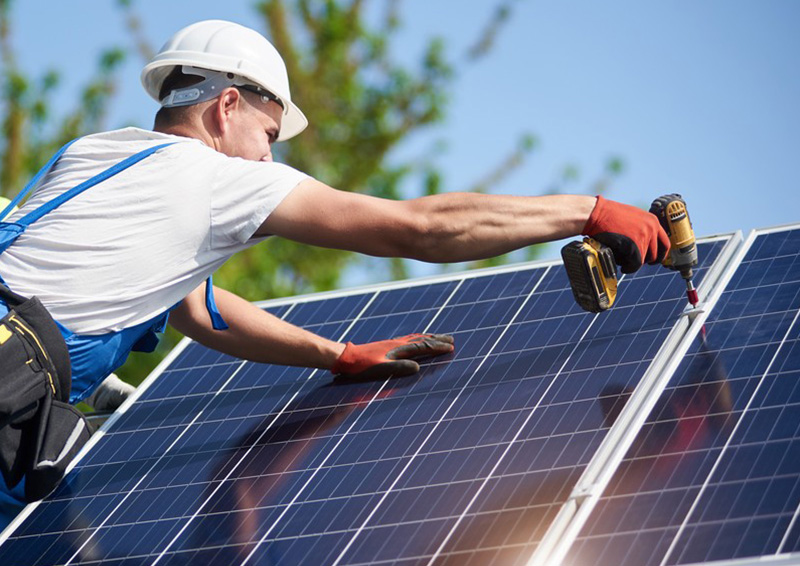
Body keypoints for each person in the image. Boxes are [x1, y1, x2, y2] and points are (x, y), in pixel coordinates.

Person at [0, 20, 668, 529]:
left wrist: (337, 354)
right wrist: (587, 210)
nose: (266, 160)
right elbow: (417, 228)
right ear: (226, 107)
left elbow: (202, 309)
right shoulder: (213, 178)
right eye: (267, 135)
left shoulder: (93, 155)